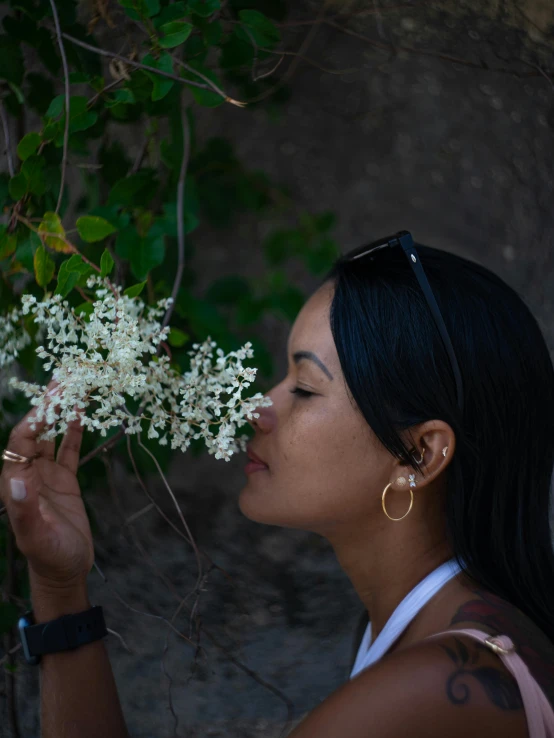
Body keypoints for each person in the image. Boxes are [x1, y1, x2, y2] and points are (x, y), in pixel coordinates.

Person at [2, 233, 554, 738]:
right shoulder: (432, 642)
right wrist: (59, 584)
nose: (257, 407)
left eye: (306, 388)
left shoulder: (433, 691)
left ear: (419, 454)